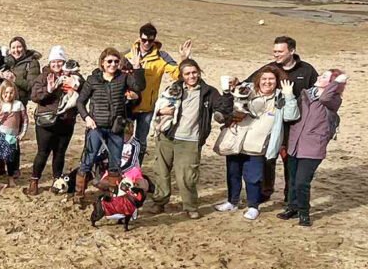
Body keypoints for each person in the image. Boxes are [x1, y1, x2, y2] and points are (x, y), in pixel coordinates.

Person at [147, 59, 233, 218]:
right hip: (167, 136)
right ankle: (159, 202)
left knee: (187, 176)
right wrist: (160, 112)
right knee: (161, 172)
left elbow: (223, 109)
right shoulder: (174, 88)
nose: (191, 76)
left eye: (194, 72)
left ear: (199, 72)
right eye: (187, 73)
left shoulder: (209, 92)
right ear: (181, 75)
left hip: (191, 140)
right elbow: (158, 108)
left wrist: (227, 94)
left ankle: (190, 206)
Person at [213, 67, 298, 220]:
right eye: (264, 79)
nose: (267, 82)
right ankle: (232, 201)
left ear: (277, 81)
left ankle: (253, 206)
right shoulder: (247, 91)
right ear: (258, 80)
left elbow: (291, 116)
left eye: (271, 79)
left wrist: (289, 95)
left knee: (254, 177)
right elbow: (227, 105)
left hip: (257, 145)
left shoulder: (280, 98)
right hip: (236, 139)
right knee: (233, 173)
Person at [245, 36, 317, 204]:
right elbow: (249, 84)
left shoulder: (307, 70)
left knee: (289, 162)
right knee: (267, 159)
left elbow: (317, 95)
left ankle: (289, 196)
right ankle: (265, 191)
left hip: (295, 125)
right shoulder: (269, 68)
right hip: (270, 123)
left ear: (291, 51)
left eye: (280, 51)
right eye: (274, 51)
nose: (276, 54)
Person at [75, 47, 146, 204]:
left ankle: (114, 195)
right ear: (102, 63)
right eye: (109, 61)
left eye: (116, 61)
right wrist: (86, 117)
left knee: (115, 163)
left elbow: (139, 87)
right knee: (88, 159)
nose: (113, 64)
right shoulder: (93, 80)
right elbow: (80, 101)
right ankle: (78, 194)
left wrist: (138, 68)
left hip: (116, 127)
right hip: (96, 127)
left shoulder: (124, 78)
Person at [278, 69, 346, 226]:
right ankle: (292, 207)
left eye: (323, 77)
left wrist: (337, 82)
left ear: (331, 84)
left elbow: (325, 97)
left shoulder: (333, 99)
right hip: (295, 143)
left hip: (313, 146)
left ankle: (304, 212)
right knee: (293, 179)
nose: (318, 77)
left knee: (302, 181)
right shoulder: (305, 94)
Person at [124, 23, 192, 164]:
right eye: (144, 40)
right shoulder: (128, 55)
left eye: (150, 40)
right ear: (139, 38)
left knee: (141, 142)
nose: (147, 43)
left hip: (147, 108)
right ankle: (123, 169)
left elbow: (178, 75)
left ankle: (136, 169)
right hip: (128, 106)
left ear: (154, 39)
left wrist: (184, 59)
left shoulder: (162, 57)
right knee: (124, 141)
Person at [29, 46, 82, 194]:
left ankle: (57, 180)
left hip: (65, 121)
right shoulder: (42, 77)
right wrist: (49, 90)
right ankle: (34, 180)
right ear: (49, 63)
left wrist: (74, 85)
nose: (56, 65)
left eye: (60, 62)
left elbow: (82, 91)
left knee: (60, 153)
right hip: (45, 121)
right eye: (54, 62)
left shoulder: (72, 76)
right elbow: (35, 96)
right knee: (43, 152)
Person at [0, 81, 28, 188]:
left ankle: (11, 178)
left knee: (11, 159)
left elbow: (25, 120)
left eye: (11, 93)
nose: (8, 95)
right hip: (0, 135)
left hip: (12, 137)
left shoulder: (18, 105)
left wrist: (22, 134)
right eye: (6, 93)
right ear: (1, 93)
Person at [0, 37, 41, 109]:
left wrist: (15, 79)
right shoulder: (6, 61)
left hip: (18, 104)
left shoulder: (32, 63)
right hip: (1, 100)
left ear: (24, 48)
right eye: (13, 48)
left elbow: (32, 85)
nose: (16, 50)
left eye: (19, 47)